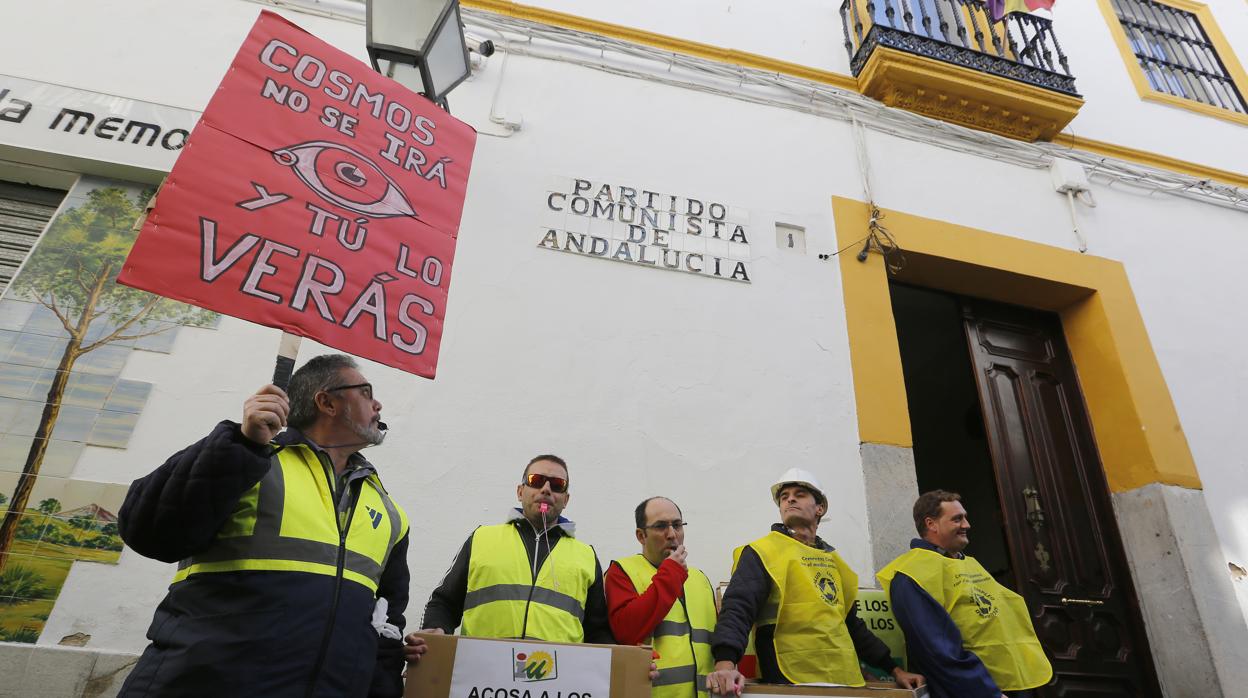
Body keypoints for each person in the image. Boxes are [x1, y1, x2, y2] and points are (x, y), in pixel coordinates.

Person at [117, 354, 410, 697]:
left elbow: (387, 624)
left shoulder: (389, 512)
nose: (378, 404)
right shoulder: (248, 456)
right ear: (327, 402)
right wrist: (242, 444)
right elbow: (150, 532)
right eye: (366, 392)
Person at [707, 468, 924, 694]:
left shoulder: (835, 561)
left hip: (845, 679)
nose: (790, 498)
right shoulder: (762, 552)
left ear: (820, 508)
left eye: (799, 494)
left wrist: (895, 670)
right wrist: (725, 664)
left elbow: (851, 626)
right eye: (784, 496)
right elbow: (738, 608)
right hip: (791, 679)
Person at [408, 454, 612, 657]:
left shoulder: (586, 555)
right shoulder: (482, 538)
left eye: (557, 485)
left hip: (554, 683)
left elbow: (598, 632)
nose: (546, 489)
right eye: (536, 481)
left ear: (565, 500)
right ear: (520, 491)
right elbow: (444, 602)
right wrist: (435, 630)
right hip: (481, 676)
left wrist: (631, 665)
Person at [877, 490, 1052, 698]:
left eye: (965, 518)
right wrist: (988, 693)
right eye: (957, 519)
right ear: (931, 524)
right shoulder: (911, 574)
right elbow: (938, 650)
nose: (967, 525)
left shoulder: (968, 563)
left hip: (1010, 685)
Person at [607, 497, 716, 698]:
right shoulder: (621, 571)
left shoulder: (700, 579)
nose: (672, 535)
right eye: (660, 526)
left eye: (677, 525)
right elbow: (626, 631)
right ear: (641, 536)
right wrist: (671, 574)